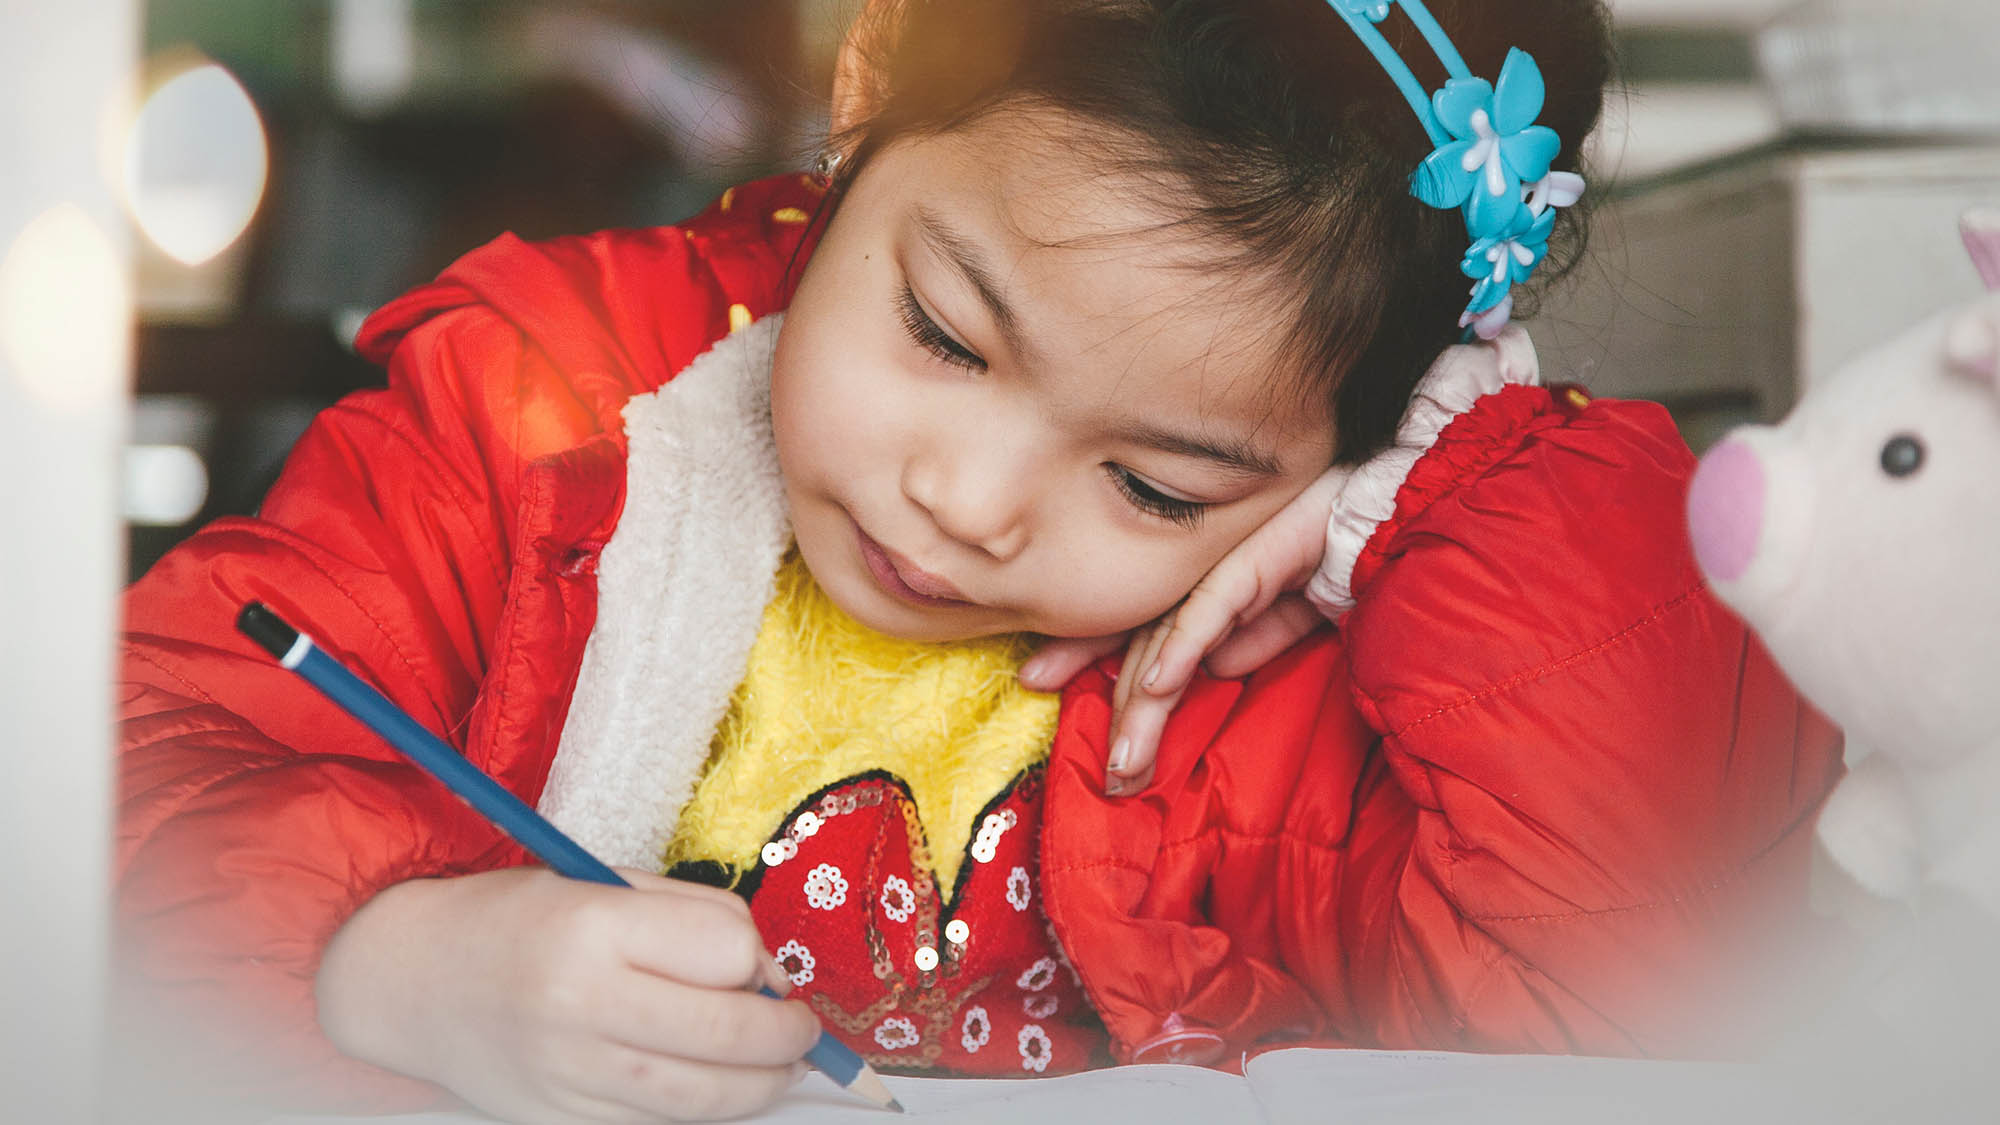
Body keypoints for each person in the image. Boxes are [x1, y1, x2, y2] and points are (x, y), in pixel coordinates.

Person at [110, 1, 1843, 1122]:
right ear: (871, 92)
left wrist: (1467, 488)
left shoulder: (1322, 645)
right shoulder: (538, 406)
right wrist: (389, 962)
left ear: (1338, 457)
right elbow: (115, 780)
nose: (971, 502)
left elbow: (1651, 1006)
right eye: (946, 333)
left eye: (1157, 486)